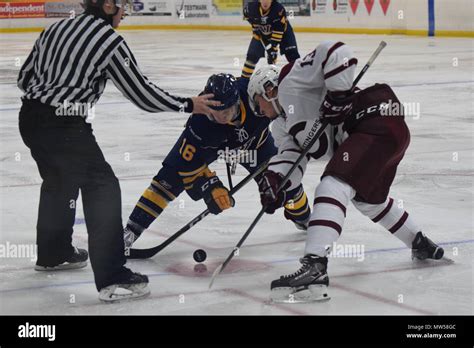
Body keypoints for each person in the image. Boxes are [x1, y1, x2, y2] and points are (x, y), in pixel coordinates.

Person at [17, 0, 219, 302]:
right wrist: (188, 104)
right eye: (122, 4)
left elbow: (24, 79)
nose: (126, 10)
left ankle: (54, 252)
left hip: (30, 118)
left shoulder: (55, 28)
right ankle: (112, 277)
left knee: (60, 182)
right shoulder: (108, 41)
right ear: (108, 5)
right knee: (103, 187)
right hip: (65, 126)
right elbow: (142, 93)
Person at [247, 41, 444, 303]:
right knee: (368, 200)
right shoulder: (282, 126)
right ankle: (420, 243)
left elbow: (337, 52)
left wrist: (338, 94)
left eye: (257, 103)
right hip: (384, 134)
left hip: (375, 118)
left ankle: (315, 267)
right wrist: (275, 181)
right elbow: (291, 157)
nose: (259, 112)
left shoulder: (291, 79)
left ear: (266, 88)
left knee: (332, 185)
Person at [123, 73, 312, 249]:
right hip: (213, 147)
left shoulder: (253, 94)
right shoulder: (201, 121)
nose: (216, 116)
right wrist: (209, 186)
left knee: (283, 181)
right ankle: (130, 231)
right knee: (167, 179)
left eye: (224, 111)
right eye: (211, 110)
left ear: (237, 102)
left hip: (256, 146)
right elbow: (187, 164)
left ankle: (304, 218)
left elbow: (281, 107)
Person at [241, 0, 300, 79]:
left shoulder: (279, 9)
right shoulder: (250, 8)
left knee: (292, 55)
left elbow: (278, 31)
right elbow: (251, 21)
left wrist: (273, 49)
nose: (265, 2)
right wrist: (256, 30)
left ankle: (302, 77)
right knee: (251, 56)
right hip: (261, 32)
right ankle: (243, 82)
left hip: (284, 33)